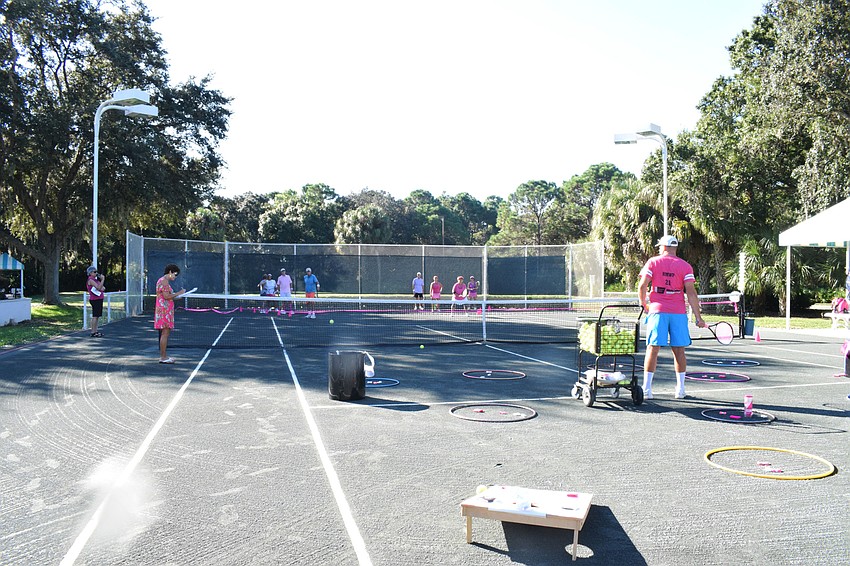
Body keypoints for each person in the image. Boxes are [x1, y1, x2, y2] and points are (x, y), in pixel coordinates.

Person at [638, 235, 705, 399]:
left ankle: (647, 389)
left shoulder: (653, 262)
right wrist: (698, 317)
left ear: (663, 247)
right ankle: (680, 389)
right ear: (675, 248)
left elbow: (642, 286)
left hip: (657, 310)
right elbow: (691, 292)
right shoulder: (685, 266)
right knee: (679, 350)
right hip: (678, 311)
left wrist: (643, 304)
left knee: (652, 348)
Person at [155, 264, 187, 364]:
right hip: (164, 311)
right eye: (175, 274)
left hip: (166, 310)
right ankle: (163, 357)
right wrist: (179, 293)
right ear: (170, 272)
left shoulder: (165, 281)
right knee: (165, 333)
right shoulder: (164, 281)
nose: (175, 277)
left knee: (165, 333)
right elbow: (166, 296)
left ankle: (164, 356)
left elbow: (169, 296)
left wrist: (178, 296)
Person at [86, 266, 106, 337]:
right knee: (95, 316)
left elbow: (103, 288)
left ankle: (95, 331)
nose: (96, 273)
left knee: (97, 316)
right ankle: (93, 332)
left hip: (99, 299)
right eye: (94, 272)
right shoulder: (91, 280)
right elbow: (99, 287)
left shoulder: (95, 280)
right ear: (90, 273)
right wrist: (103, 279)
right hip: (95, 299)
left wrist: (101, 283)